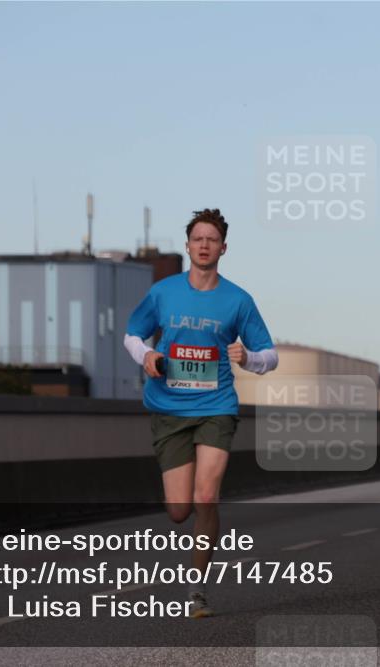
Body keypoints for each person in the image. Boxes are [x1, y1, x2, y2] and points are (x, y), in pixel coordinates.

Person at [123, 208, 278, 618]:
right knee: (178, 511)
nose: (204, 245)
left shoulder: (238, 300)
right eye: (198, 238)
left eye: (212, 239)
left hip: (216, 406)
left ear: (223, 248)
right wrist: (148, 354)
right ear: (188, 246)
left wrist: (248, 357)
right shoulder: (163, 293)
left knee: (206, 495)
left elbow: (271, 356)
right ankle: (193, 518)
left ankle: (197, 589)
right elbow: (132, 334)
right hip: (168, 407)